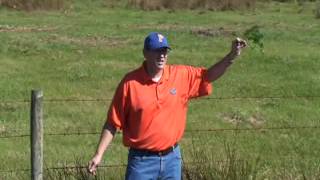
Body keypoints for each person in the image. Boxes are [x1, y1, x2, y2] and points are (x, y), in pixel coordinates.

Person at [88, 32, 247, 179]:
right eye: (157, 51)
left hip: (172, 159)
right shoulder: (130, 83)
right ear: (145, 53)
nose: (162, 55)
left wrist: (231, 56)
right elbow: (113, 122)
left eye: (165, 51)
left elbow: (208, 76)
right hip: (141, 162)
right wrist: (99, 154)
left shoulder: (180, 75)